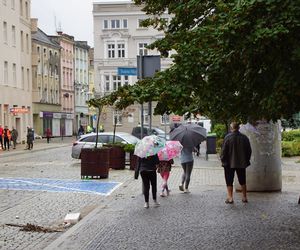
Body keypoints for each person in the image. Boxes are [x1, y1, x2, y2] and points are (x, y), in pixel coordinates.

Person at [220, 122, 252, 204]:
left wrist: (223, 160)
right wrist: (246, 160)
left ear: (231, 128)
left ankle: (230, 198)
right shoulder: (244, 138)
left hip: (229, 163)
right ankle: (244, 197)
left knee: (229, 180)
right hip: (241, 163)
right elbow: (249, 151)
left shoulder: (227, 137)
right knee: (242, 180)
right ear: (238, 128)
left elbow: (223, 152)